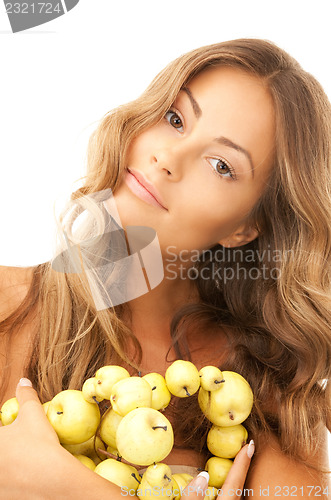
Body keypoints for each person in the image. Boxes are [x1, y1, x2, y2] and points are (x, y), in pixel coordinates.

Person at [0, 38, 330, 499]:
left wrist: (67, 489)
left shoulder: (271, 389)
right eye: (175, 119)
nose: (168, 160)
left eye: (220, 164)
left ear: (245, 228)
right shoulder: (7, 308)